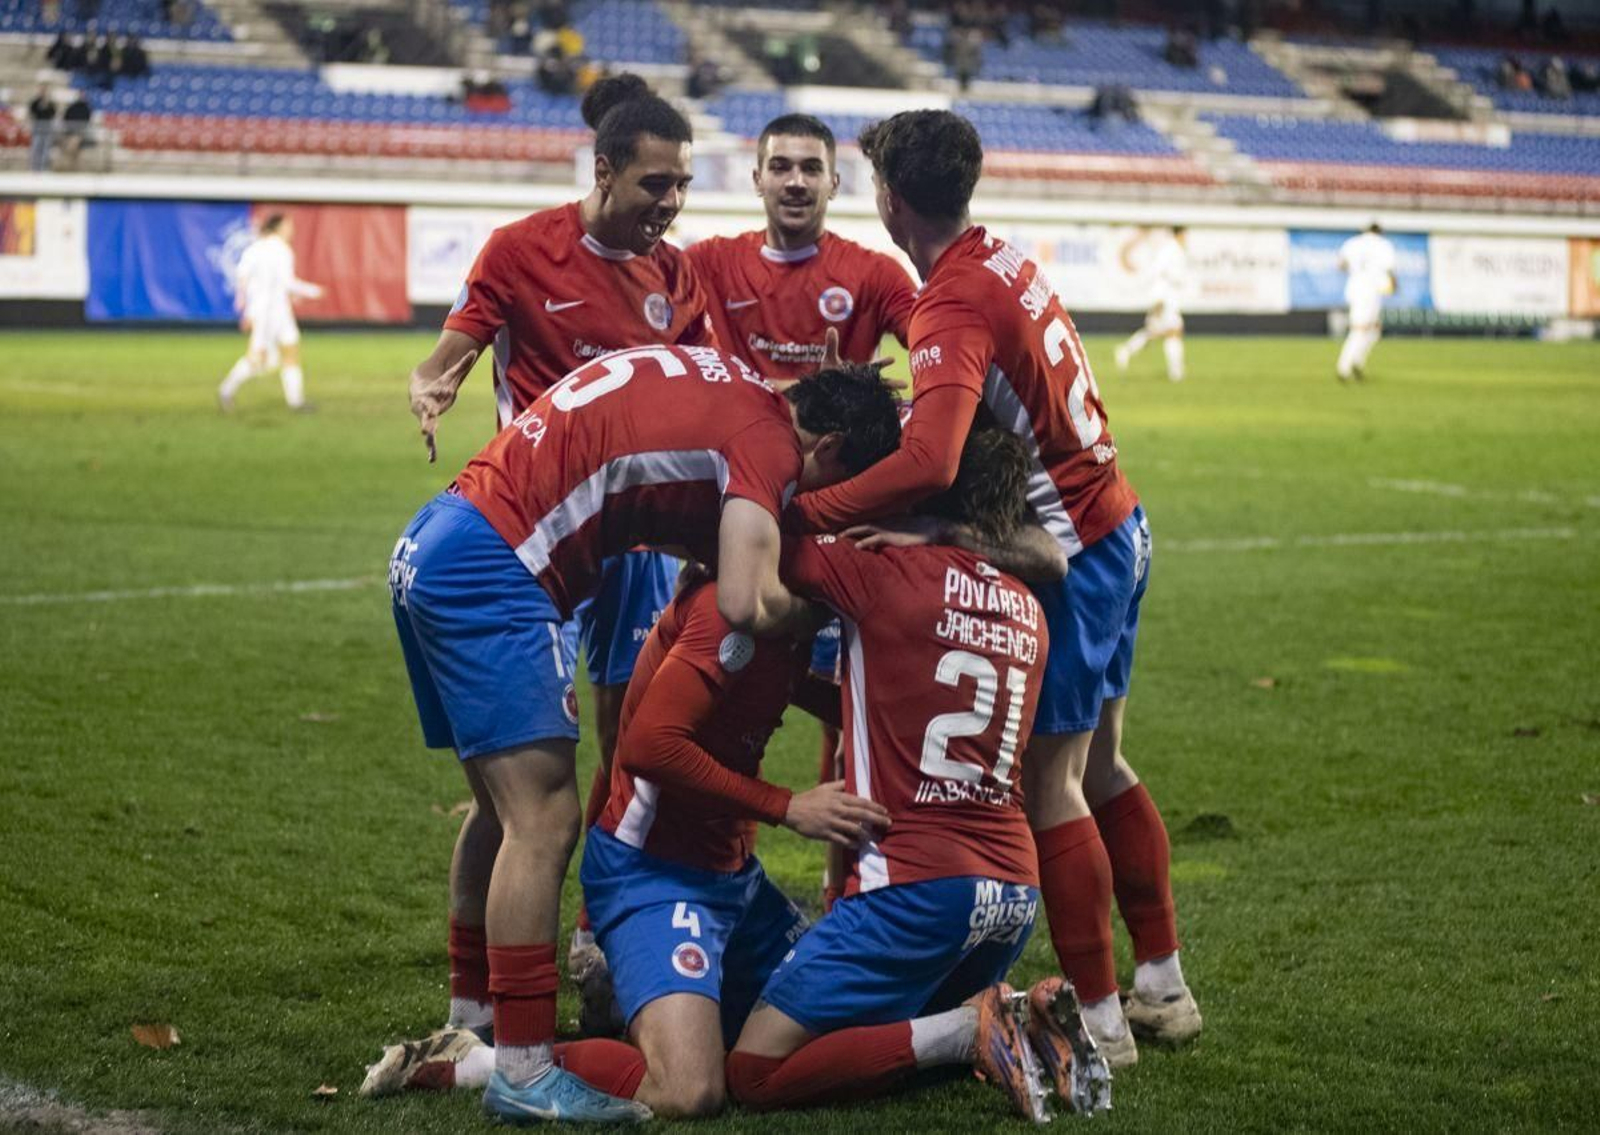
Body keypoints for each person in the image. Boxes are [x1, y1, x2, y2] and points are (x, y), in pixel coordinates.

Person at [385, 348, 903, 1124]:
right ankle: (521, 1068)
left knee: (500, 812)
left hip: (441, 538)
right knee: (544, 819)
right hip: (498, 563)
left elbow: (654, 474)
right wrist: (815, 605)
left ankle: (474, 1024)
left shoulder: (737, 390)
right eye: (837, 487)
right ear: (826, 449)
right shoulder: (767, 442)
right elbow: (742, 600)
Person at [791, 110, 1201, 1070]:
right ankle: (1162, 986)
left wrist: (813, 514)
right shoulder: (1001, 257)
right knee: (1103, 768)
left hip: (1068, 550)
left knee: (1047, 785)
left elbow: (931, 459)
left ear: (890, 199)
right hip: (1117, 523)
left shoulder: (951, 299)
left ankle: (1100, 1020)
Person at [407, 76, 719, 963]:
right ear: (605, 169)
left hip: (639, 542)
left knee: (632, 737)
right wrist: (433, 384)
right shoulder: (519, 250)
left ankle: (596, 928)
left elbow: (698, 389)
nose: (671, 203)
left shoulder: (677, 272)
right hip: (537, 539)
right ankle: (499, 970)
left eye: (683, 186)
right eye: (656, 184)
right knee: (526, 777)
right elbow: (456, 347)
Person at [724, 429, 1111, 1122]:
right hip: (1014, 895)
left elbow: (767, 531)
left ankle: (974, 1028)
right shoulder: (1028, 605)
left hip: (916, 891)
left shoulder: (874, 573)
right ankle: (1011, 1018)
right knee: (877, 1037)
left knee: (756, 1068)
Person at [683, 111, 917, 909]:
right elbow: (662, 357)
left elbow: (947, 357)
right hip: (726, 519)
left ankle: (842, 893)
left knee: (850, 709)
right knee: (690, 695)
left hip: (833, 526)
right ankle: (677, 873)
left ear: (833, 182)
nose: (794, 181)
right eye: (779, 165)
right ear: (755, 177)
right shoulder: (708, 264)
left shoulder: (875, 274)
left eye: (810, 168)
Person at [217, 213, 323, 412]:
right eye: (288, 226)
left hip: (270, 309)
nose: (291, 230)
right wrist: (313, 291)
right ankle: (226, 389)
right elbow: (288, 282)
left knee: (290, 350)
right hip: (271, 312)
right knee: (260, 358)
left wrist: (243, 304)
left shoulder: (254, 249)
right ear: (279, 227)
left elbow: (242, 276)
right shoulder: (282, 250)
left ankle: (296, 401)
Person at [1114, 225, 1189, 382]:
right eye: (1185, 235)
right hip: (1164, 299)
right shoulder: (1170, 251)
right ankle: (1176, 372)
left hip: (1167, 299)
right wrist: (1159, 300)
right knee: (1173, 331)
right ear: (1180, 234)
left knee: (1155, 332)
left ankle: (1125, 351)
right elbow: (1159, 274)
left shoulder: (1173, 250)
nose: (1187, 239)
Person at [1336, 222, 1396, 383]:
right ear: (1380, 232)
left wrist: (1355, 271)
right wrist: (1393, 284)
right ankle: (1343, 368)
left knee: (1374, 330)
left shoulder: (1352, 243)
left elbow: (1340, 265)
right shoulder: (1384, 245)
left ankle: (1357, 362)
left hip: (1355, 288)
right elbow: (1389, 268)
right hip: (1370, 291)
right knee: (1360, 330)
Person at [27, 85, 57, 172]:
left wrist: (46, 105)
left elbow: (53, 113)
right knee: (36, 146)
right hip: (37, 126)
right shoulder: (35, 102)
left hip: (47, 126)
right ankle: (34, 167)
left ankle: (44, 167)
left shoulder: (50, 103)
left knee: (46, 148)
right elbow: (32, 111)